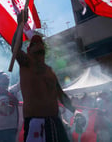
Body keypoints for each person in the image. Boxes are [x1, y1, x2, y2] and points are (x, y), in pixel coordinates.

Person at [12, 9, 77, 142]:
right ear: (29, 50)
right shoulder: (25, 64)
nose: (39, 49)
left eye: (41, 50)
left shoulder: (50, 71)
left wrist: (75, 111)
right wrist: (20, 24)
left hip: (54, 121)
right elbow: (15, 49)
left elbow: (61, 94)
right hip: (35, 123)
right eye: (35, 46)